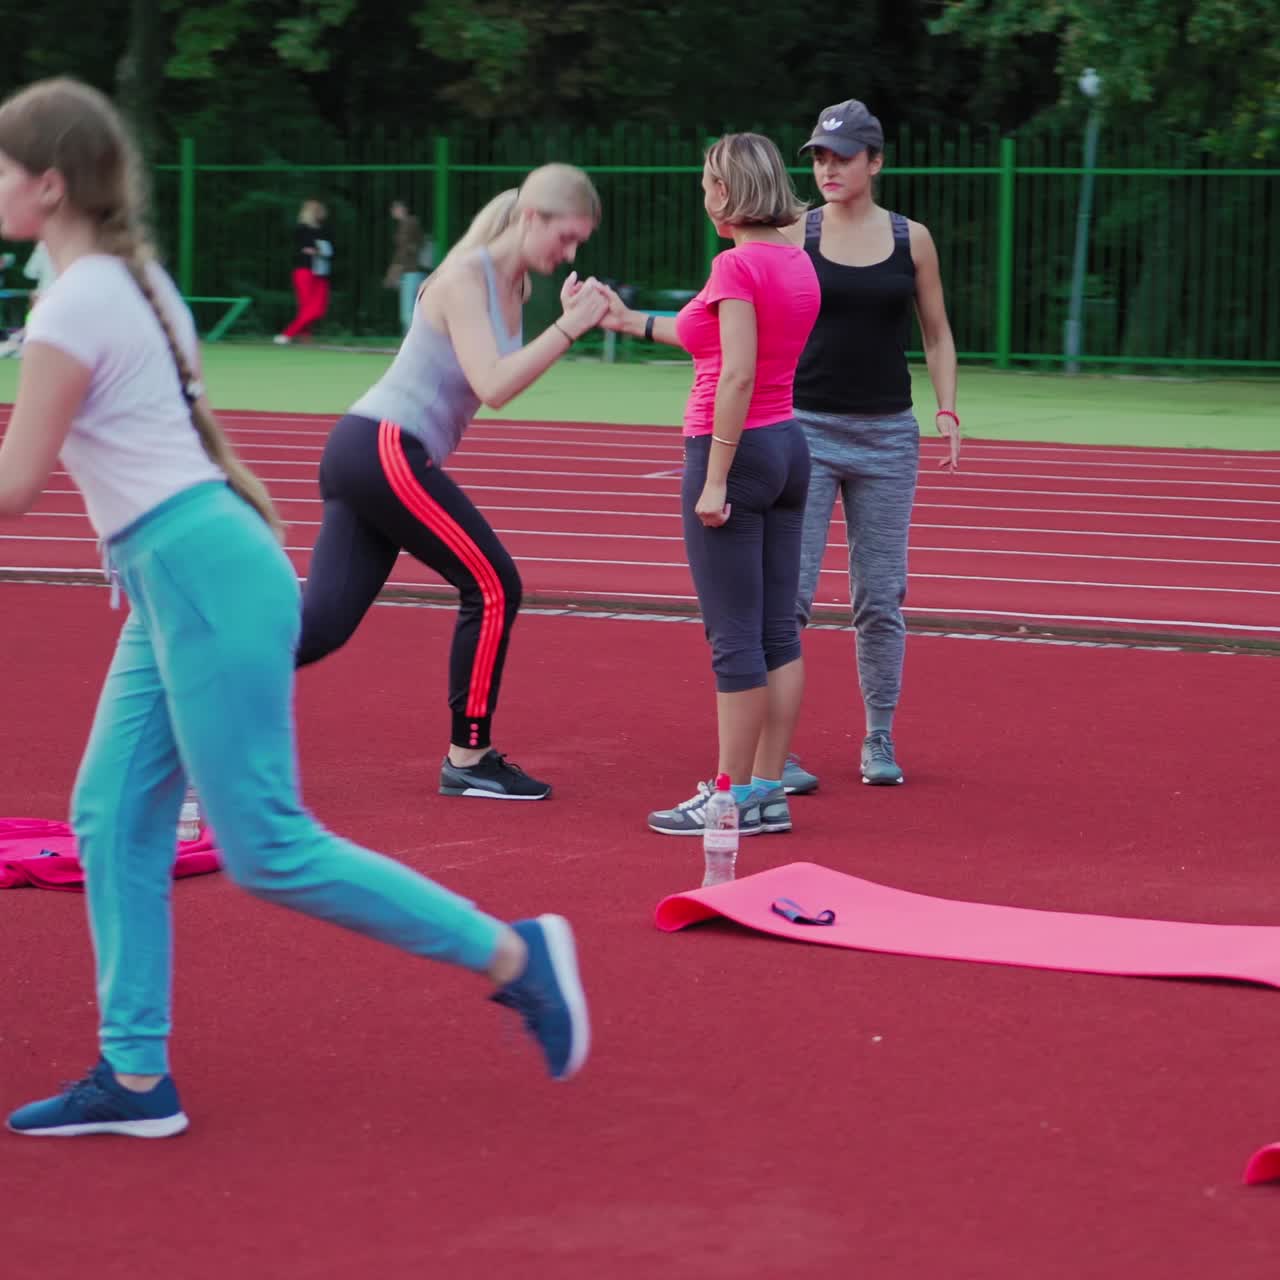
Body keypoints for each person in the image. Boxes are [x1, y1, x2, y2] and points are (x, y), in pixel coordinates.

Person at [0, 76, 589, 1139]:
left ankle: (515, 954)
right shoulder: (132, 284)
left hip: (199, 572)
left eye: (1, 165)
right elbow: (163, 437)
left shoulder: (77, 300)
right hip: (180, 569)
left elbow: (14, 484)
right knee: (107, 815)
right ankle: (135, 1077)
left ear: (48, 184)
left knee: (267, 842)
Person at [295, 165, 609, 802]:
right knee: (494, 585)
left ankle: (196, 677)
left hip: (372, 452)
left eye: (580, 242)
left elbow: (500, 379)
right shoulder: (465, 279)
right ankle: (470, 757)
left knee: (322, 627)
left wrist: (563, 323)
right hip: (383, 445)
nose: (571, 252)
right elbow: (493, 386)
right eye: (567, 237)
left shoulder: (514, 285)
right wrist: (570, 327)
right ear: (531, 218)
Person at [599, 134, 821, 837]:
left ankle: (728, 798)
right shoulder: (795, 263)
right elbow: (710, 336)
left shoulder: (735, 265)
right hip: (789, 446)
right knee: (777, 631)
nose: (702, 195)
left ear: (727, 193)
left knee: (734, 639)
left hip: (736, 450)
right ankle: (765, 789)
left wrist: (715, 477)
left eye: (706, 183)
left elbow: (736, 372)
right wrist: (628, 319)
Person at [780, 100, 959, 794]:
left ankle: (878, 735)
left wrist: (945, 406)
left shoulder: (913, 238)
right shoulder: (797, 232)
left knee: (880, 596)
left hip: (887, 435)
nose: (828, 168)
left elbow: (937, 331)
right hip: (804, 430)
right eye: (820, 157)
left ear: (875, 162)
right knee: (788, 597)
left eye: (842, 157)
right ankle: (777, 748)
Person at [275, 198, 331, 344]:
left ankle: (289, 334)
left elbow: (325, 250)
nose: (321, 213)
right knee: (307, 307)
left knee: (318, 308)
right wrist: (315, 250)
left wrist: (317, 250)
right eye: (317, 210)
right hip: (304, 270)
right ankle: (303, 337)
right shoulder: (301, 229)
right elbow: (303, 249)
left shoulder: (324, 230)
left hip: (321, 271)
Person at [385, 199, 430, 335]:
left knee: (408, 312)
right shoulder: (409, 224)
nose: (393, 212)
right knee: (415, 309)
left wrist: (394, 270)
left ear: (401, 209)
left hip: (410, 271)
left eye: (395, 209)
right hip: (415, 271)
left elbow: (404, 251)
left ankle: (412, 342)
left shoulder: (408, 223)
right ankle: (415, 341)